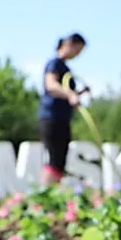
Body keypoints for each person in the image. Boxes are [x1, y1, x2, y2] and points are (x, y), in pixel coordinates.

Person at [38, 33, 88, 185]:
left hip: (62, 118)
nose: (77, 55)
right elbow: (51, 85)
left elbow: (66, 94)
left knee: (59, 161)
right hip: (51, 117)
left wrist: (79, 93)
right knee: (53, 160)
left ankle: (53, 195)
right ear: (69, 45)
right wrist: (71, 95)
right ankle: (45, 195)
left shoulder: (65, 68)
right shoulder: (54, 63)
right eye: (77, 50)